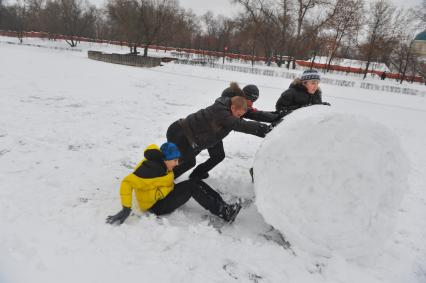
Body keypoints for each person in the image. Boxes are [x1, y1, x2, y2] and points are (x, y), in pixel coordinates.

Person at [106, 142, 242, 225]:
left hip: (164, 194)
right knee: (191, 187)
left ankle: (223, 205)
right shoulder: (150, 169)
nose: (177, 163)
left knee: (194, 180)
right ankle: (225, 213)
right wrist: (126, 209)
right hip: (156, 206)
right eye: (175, 160)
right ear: (165, 159)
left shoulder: (162, 163)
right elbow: (127, 183)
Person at [167, 95, 272, 180]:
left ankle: (188, 175)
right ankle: (163, 182)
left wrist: (274, 118)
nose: (239, 117)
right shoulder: (222, 113)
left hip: (191, 136)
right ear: (232, 108)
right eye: (239, 114)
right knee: (183, 162)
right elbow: (240, 124)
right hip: (181, 134)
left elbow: (247, 117)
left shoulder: (229, 108)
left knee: (215, 156)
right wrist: (266, 130)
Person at [221, 82, 288, 123]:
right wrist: (265, 128)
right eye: (251, 100)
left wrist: (276, 115)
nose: (251, 103)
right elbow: (241, 124)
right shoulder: (233, 106)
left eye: (254, 101)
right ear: (244, 96)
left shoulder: (239, 102)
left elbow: (256, 114)